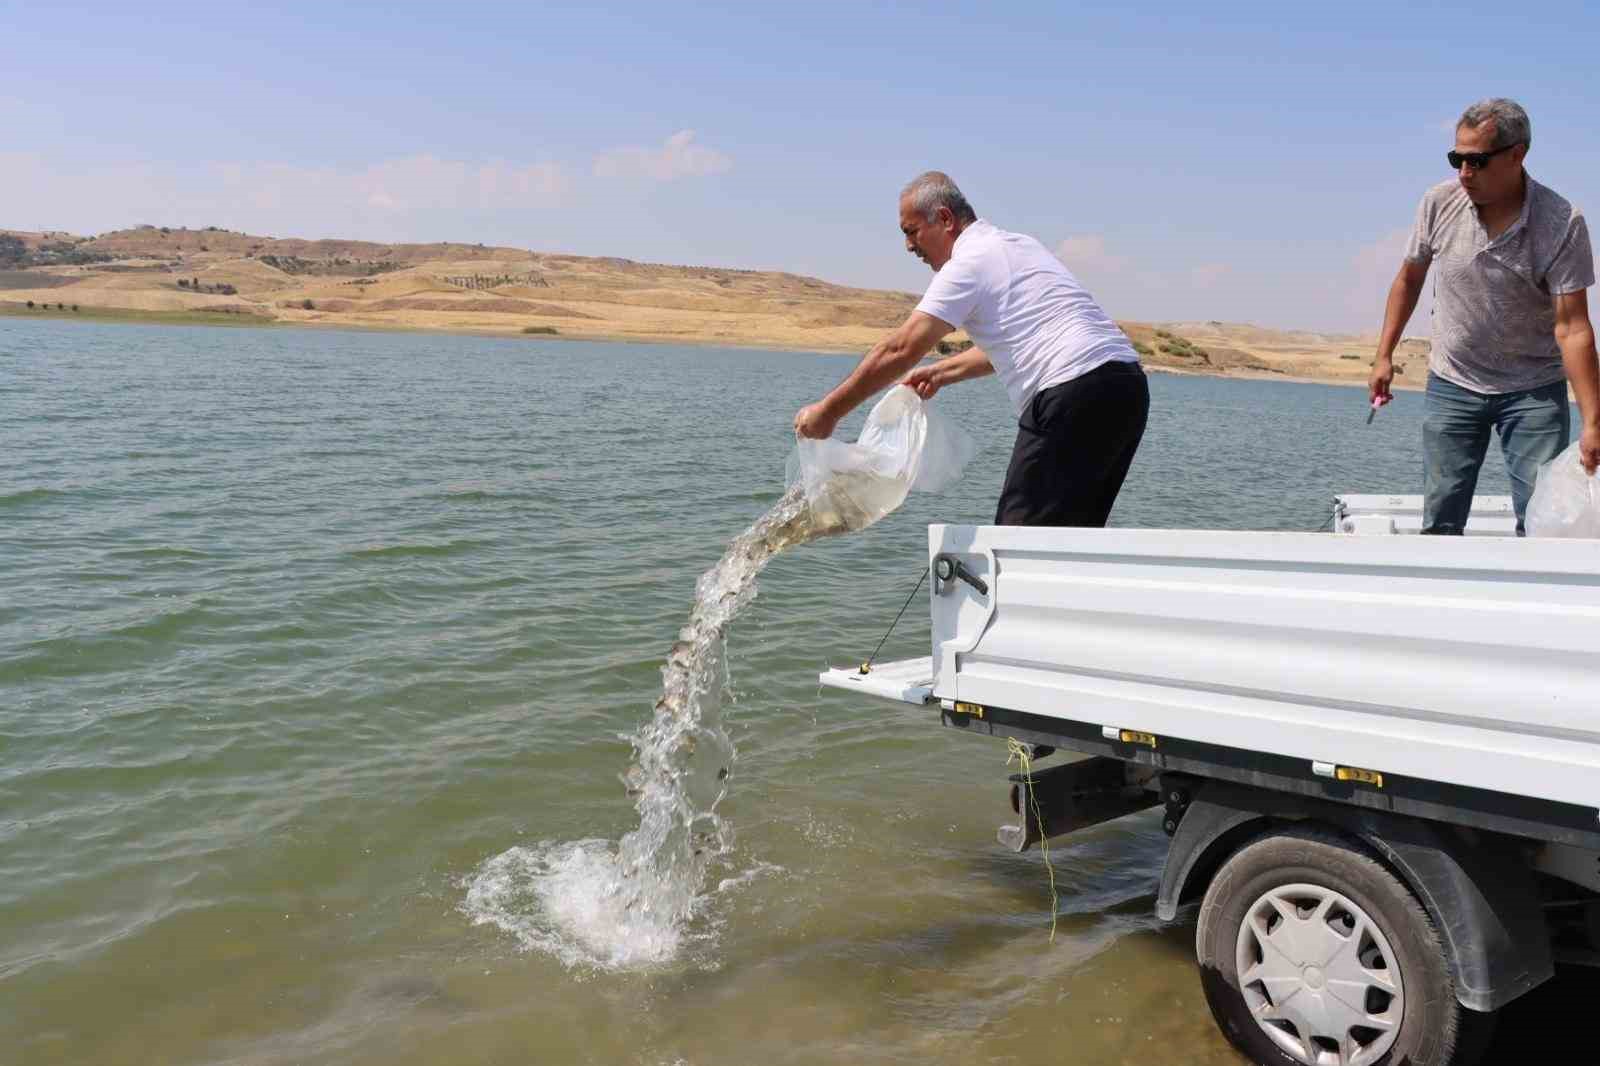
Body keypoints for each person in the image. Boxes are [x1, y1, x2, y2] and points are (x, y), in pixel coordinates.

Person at [794, 172, 1148, 526]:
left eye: (911, 230)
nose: (908, 246)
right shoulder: (1019, 245)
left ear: (945, 219)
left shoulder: (969, 262)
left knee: (1018, 540)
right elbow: (1018, 342)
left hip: (1071, 393)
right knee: (1071, 535)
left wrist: (827, 412)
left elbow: (900, 349)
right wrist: (941, 373)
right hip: (1125, 388)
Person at [1369, 98, 1600, 534]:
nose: (1463, 173)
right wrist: (1383, 356)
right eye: (1457, 158)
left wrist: (1593, 421)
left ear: (1517, 155)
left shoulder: (1562, 222)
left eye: (1476, 161)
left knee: (1541, 522)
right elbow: (1409, 280)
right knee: (1440, 521)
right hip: (1452, 384)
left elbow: (1572, 328)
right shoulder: (1438, 203)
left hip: (1533, 393)